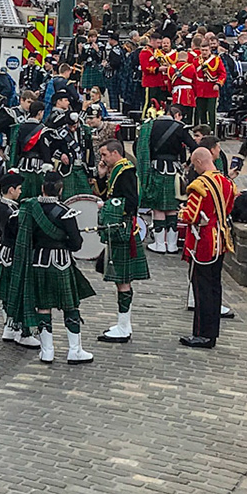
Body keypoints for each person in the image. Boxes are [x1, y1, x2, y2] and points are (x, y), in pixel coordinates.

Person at [7, 171, 94, 365]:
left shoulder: (30, 208)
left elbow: (18, 231)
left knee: (43, 307)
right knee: (70, 306)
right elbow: (77, 243)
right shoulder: (65, 212)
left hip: (38, 261)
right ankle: (75, 350)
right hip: (61, 263)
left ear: (42, 188)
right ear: (60, 189)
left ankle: (47, 351)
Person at [177, 147, 235, 348]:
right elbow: (227, 208)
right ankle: (212, 333)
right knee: (214, 286)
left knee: (201, 288)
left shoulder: (200, 185)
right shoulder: (226, 182)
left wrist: (181, 213)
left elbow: (191, 216)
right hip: (220, 238)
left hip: (203, 241)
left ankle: (202, 334)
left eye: (194, 164)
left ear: (199, 162)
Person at [93, 139, 148, 343]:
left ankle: (124, 327)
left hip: (123, 229)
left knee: (122, 280)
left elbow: (131, 202)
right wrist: (100, 176)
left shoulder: (126, 172)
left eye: (105, 154)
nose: (103, 158)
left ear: (116, 153)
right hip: (119, 229)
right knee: (120, 280)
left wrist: (106, 207)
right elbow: (108, 194)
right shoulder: (116, 170)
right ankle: (123, 323)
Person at [138, 106, 196, 253]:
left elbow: (139, 148)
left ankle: (159, 244)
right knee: (172, 207)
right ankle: (172, 245)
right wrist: (187, 164)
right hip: (175, 171)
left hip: (156, 168)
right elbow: (194, 147)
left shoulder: (150, 126)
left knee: (158, 207)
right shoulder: (180, 127)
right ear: (175, 115)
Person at [0, 171, 36, 347]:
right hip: (15, 253)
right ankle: (22, 332)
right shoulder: (13, 211)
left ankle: (9, 328)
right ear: (11, 190)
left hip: (3, 251)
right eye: (19, 188)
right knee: (18, 292)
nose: (21, 191)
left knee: (7, 292)